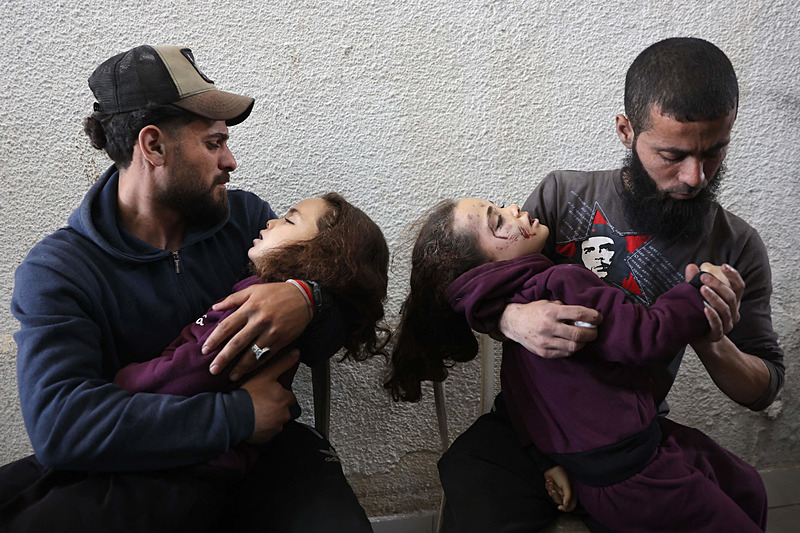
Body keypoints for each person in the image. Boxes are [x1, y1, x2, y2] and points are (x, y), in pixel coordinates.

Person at [1, 45, 374, 532]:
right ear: (153, 146)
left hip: (263, 457)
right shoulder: (59, 270)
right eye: (214, 143)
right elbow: (62, 427)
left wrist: (309, 300)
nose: (231, 161)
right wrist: (236, 416)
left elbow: (347, 309)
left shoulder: (246, 221)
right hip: (141, 467)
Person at [436, 38, 785, 532]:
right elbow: (479, 282)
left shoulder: (736, 245)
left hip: (629, 439)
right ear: (626, 130)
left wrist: (710, 339)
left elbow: (762, 390)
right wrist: (513, 319)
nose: (695, 177)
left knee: (742, 490)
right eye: (672, 155)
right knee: (471, 478)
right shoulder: (563, 196)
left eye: (714, 153)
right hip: (531, 423)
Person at [386, 198, 767, 532]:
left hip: (613, 459)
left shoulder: (522, 309)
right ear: (485, 266)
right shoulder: (560, 282)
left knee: (744, 484)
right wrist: (700, 292)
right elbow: (643, 335)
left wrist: (546, 461)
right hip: (635, 473)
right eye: (497, 220)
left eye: (500, 206)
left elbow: (523, 403)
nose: (514, 209)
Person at [114, 193, 390, 473]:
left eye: (289, 221)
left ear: (322, 254)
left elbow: (196, 367)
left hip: (196, 459)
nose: (270, 222)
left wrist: (124, 383)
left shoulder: (261, 304)